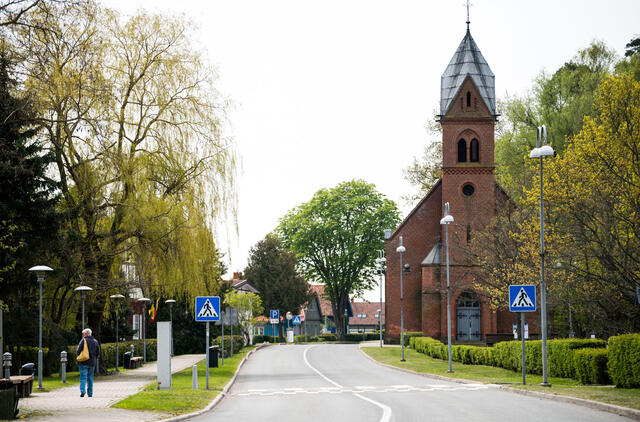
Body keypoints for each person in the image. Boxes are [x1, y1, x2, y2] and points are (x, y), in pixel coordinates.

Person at [76, 328, 101, 397]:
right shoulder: (95, 341)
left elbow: (78, 351)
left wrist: (79, 356)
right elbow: (98, 352)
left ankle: (83, 391)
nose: (82, 335)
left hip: (83, 362)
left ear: (85, 334)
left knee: (83, 378)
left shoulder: (83, 341)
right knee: (90, 378)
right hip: (92, 363)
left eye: (83, 334)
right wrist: (94, 357)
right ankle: (90, 394)